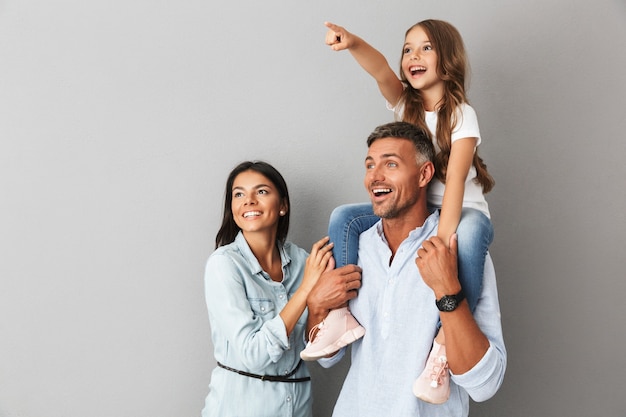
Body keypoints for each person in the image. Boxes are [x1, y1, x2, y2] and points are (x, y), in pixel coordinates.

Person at [300, 19, 495, 405]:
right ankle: (340, 312)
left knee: (468, 239)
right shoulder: (406, 104)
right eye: (408, 49)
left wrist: (441, 239)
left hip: (461, 210)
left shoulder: (461, 114)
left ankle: (443, 340)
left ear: (447, 58)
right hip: (416, 204)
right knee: (345, 217)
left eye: (425, 48)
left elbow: (454, 180)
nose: (413, 57)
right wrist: (353, 42)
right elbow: (379, 70)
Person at [306, 122, 506, 416]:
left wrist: (447, 290)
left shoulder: (458, 252)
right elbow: (327, 357)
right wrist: (316, 306)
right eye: (370, 165)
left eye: (391, 164)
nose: (375, 176)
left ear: (424, 174)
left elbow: (485, 385)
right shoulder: (354, 246)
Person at [201, 161, 336, 417]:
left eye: (261, 192)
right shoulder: (224, 265)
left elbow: (319, 344)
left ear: (283, 205)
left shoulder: (304, 262)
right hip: (240, 408)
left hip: (298, 407)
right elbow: (254, 354)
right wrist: (307, 289)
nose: (248, 201)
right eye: (239, 194)